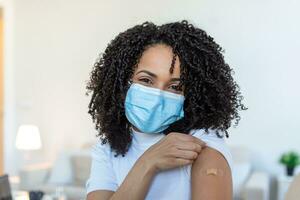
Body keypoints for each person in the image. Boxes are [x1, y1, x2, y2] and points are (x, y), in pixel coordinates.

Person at [85, 20, 248, 200]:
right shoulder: (107, 148)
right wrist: (148, 162)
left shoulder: (201, 145)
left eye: (175, 87)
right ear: (122, 81)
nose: (158, 97)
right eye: (146, 80)